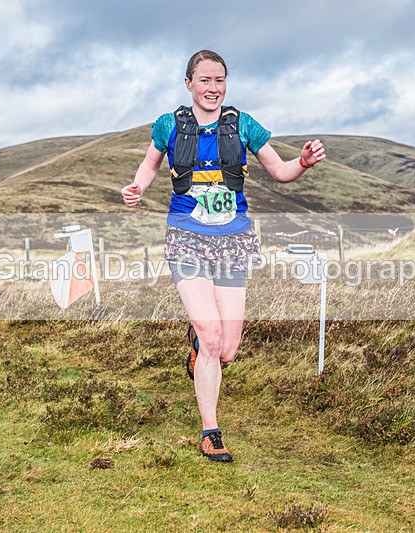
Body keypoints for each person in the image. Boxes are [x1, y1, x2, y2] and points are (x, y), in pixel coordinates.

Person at [121, 50, 325, 462]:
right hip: (186, 237)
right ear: (188, 83)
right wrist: (138, 188)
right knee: (214, 336)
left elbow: (281, 171)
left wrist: (302, 162)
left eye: (220, 80)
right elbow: (150, 165)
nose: (213, 88)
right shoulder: (169, 125)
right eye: (205, 80)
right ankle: (210, 430)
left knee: (226, 348)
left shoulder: (243, 124)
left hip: (234, 240)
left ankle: (200, 347)